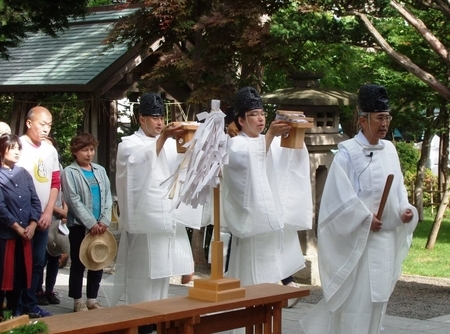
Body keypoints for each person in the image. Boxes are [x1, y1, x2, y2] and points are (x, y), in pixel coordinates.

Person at [300, 84, 418, 334]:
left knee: (378, 306)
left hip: (384, 243)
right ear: (363, 121)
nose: (385, 123)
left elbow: (399, 191)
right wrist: (365, 219)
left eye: (387, 117)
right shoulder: (347, 154)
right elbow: (338, 202)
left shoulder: (390, 150)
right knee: (356, 308)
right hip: (359, 245)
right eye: (379, 118)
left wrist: (405, 210)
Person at [110, 92, 197, 333]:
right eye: (154, 118)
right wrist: (163, 140)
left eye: (161, 118)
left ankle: (157, 322)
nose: (159, 122)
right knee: (142, 279)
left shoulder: (168, 144)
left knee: (161, 278)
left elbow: (183, 166)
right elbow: (138, 165)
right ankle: (139, 325)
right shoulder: (129, 144)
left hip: (164, 223)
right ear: (142, 119)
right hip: (144, 224)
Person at [222, 87, 312, 288]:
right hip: (252, 227)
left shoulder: (269, 141)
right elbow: (248, 159)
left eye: (262, 114)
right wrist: (271, 134)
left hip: (270, 226)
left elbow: (288, 162)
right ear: (241, 120)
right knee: (252, 282)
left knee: (270, 280)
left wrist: (294, 131)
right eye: (253, 115)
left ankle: (281, 291)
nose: (260, 119)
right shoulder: (236, 145)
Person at [17, 106, 60, 318]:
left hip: (44, 215)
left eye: (49, 125)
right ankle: (14, 305)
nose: (46, 129)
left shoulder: (50, 150)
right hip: (21, 216)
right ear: (28, 123)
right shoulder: (17, 146)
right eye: (42, 124)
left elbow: (55, 182)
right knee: (18, 261)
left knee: (38, 261)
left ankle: (31, 303)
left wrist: (48, 211)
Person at [61, 133, 112, 312]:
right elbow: (73, 201)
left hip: (101, 226)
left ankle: (92, 298)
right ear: (75, 152)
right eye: (85, 150)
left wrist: (105, 219)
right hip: (80, 226)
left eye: (91, 149)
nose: (89, 153)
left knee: (98, 261)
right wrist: (91, 222)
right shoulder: (69, 172)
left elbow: (107, 196)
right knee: (79, 262)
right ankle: (77, 300)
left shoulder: (100, 170)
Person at [0, 134, 41, 316]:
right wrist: (15, 226)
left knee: (21, 275)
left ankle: (15, 312)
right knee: (3, 276)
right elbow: (0, 207)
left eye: (18, 148)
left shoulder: (24, 173)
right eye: (12, 148)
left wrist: (32, 225)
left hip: (26, 234)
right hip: (6, 235)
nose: (17, 152)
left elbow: (35, 201)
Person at [36, 136, 68, 306]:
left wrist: (65, 211)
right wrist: (55, 210)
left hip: (58, 219)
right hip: (42, 215)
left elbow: (64, 192)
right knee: (40, 258)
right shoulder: (36, 166)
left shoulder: (60, 168)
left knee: (54, 256)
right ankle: (38, 290)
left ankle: (50, 289)